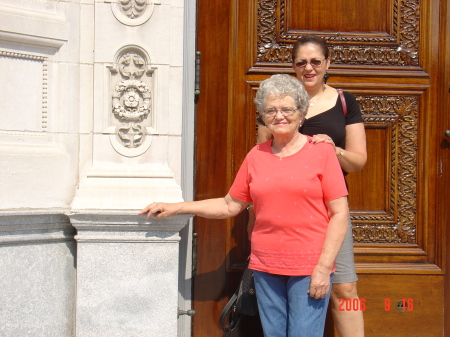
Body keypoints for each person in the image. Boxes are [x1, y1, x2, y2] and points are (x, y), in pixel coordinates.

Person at [140, 74, 349, 337]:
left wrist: (322, 268)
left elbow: (339, 213)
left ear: (301, 112)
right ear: (263, 115)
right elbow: (230, 205)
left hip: (309, 267)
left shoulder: (321, 152)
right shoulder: (256, 155)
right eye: (271, 110)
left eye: (287, 109)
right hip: (265, 266)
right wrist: (179, 207)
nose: (279, 116)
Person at [253, 35, 367, 337]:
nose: (309, 67)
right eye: (301, 62)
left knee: (346, 288)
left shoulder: (344, 101)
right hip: (286, 216)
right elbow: (262, 155)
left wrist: (333, 149)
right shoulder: (276, 102)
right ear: (293, 65)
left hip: (329, 211)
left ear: (327, 63)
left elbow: (358, 161)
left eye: (316, 61)